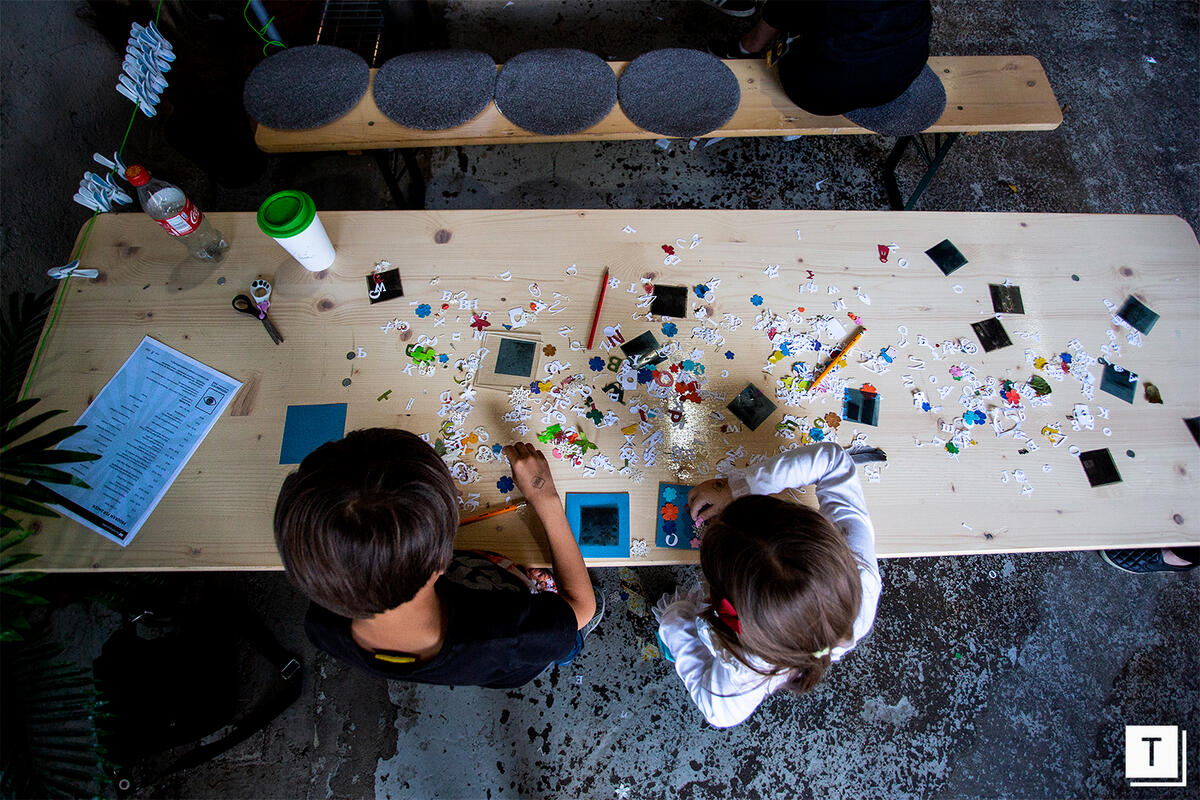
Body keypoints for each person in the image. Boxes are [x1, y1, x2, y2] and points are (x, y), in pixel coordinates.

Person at [273, 429, 601, 688]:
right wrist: (545, 497)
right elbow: (582, 607)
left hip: (477, 661)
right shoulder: (514, 633)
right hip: (514, 661)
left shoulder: (320, 627)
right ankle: (567, 651)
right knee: (564, 641)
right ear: (444, 559)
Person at [655, 442, 881, 727]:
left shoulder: (746, 670)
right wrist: (739, 487)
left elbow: (719, 714)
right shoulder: (860, 575)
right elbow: (833, 460)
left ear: (726, 611)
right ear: (820, 532)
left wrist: (676, 616)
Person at [711, 0, 944, 136]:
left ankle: (743, 49)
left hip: (821, 92)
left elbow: (784, 10)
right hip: (901, 77)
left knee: (795, 13)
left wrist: (749, 46)